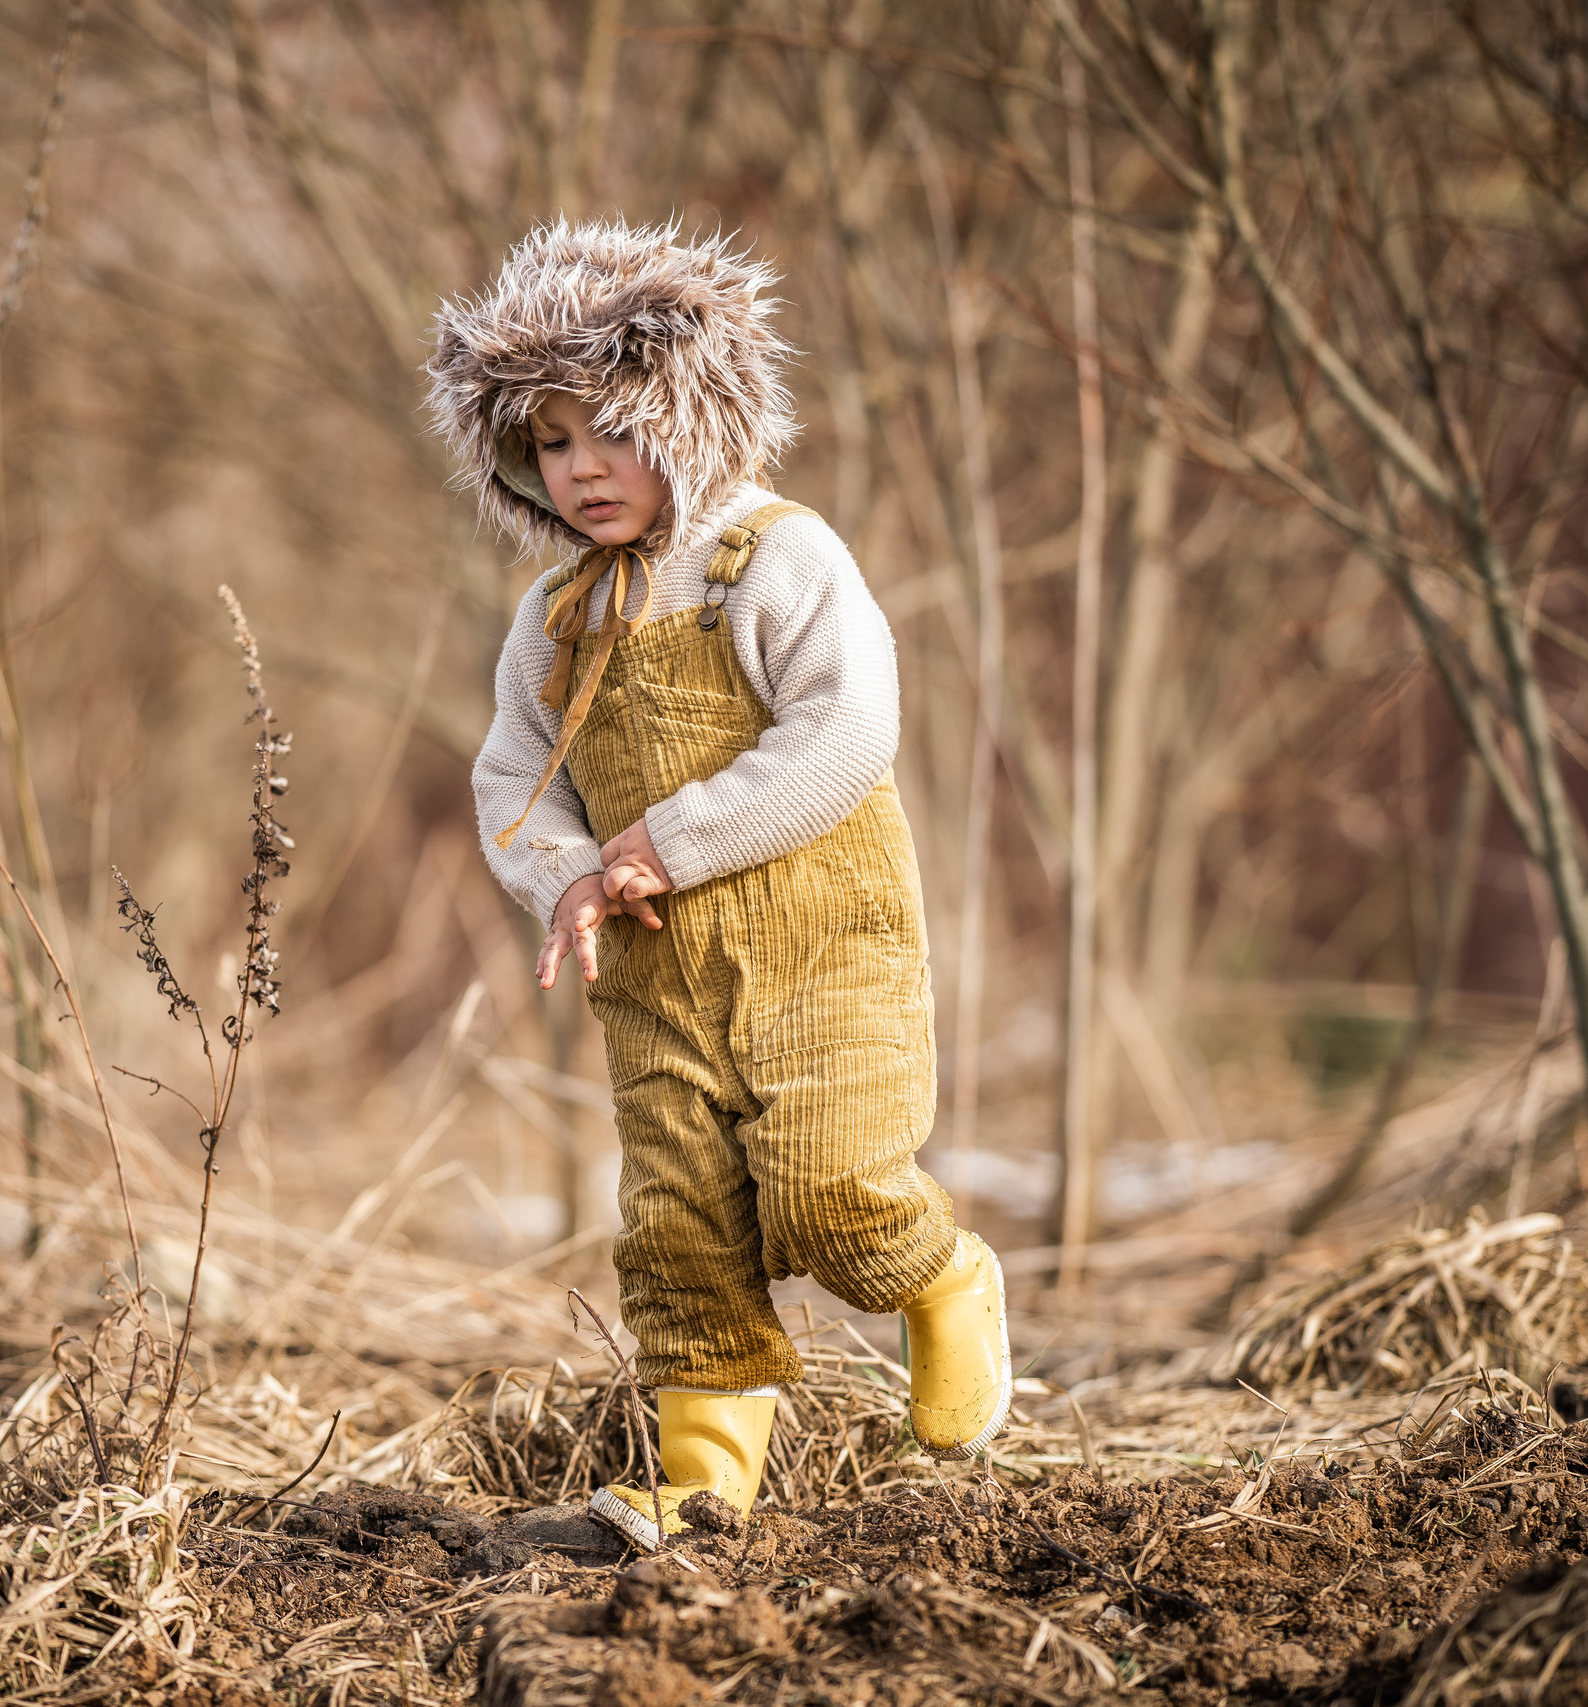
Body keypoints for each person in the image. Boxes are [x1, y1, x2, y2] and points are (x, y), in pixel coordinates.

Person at [428, 219, 1013, 1550]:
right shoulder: (558, 617)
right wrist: (568, 877)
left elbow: (850, 733)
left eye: (612, 432)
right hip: (656, 981)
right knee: (681, 1228)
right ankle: (703, 1480)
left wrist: (672, 842)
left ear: (691, 417)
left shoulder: (777, 559)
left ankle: (945, 1279)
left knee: (831, 1181)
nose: (582, 470)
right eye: (551, 444)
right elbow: (513, 773)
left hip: (826, 955)